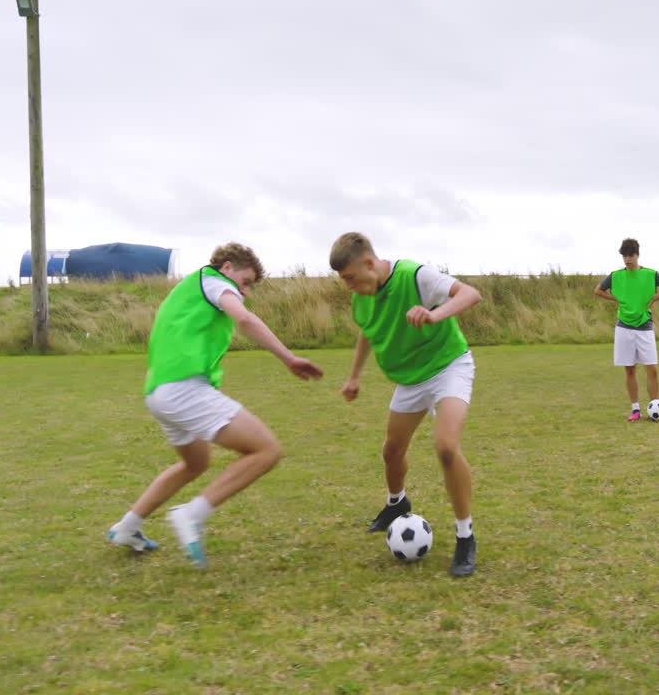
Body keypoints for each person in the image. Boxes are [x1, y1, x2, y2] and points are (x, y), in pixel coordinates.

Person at [107, 243, 323, 568]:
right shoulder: (214, 282)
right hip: (184, 389)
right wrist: (288, 357)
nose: (245, 291)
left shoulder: (193, 288)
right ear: (226, 267)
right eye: (245, 281)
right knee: (266, 451)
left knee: (195, 464)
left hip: (159, 392)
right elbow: (244, 319)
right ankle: (191, 515)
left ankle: (127, 527)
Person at [330, 232, 483, 577]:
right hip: (410, 380)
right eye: (344, 281)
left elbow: (470, 294)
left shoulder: (414, 276)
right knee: (391, 451)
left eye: (351, 278)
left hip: (448, 367)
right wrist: (354, 376)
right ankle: (397, 503)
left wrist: (435, 314)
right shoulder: (361, 298)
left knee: (445, 446)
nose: (348, 287)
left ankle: (465, 535)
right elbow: (367, 332)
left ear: (370, 263)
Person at [594, 238, 659, 422]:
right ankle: (635, 409)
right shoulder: (615, 276)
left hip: (645, 326)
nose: (627, 259)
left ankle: (656, 406)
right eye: (624, 256)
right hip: (623, 327)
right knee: (630, 370)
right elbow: (598, 290)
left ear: (637, 255)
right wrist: (615, 299)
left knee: (652, 369)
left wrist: (655, 298)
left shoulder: (651, 274)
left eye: (631, 255)